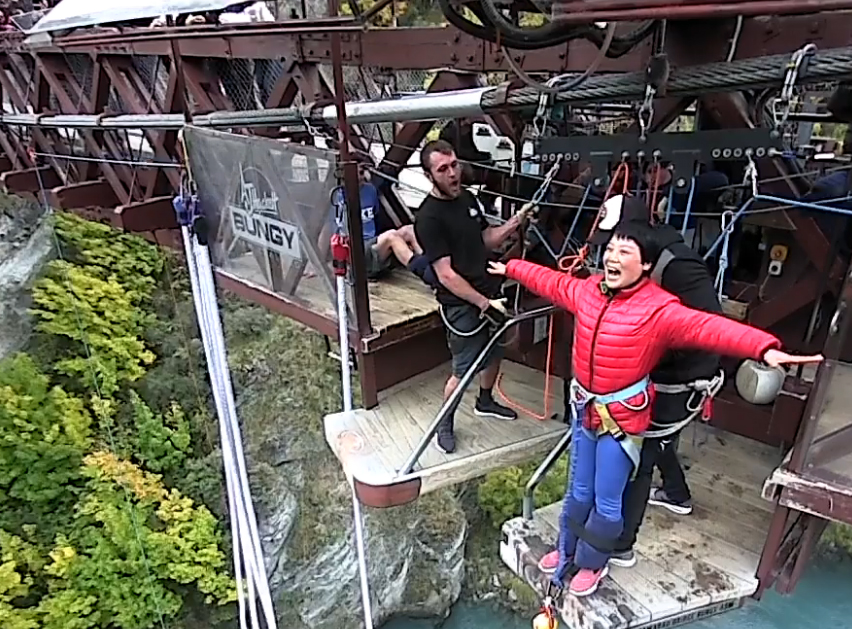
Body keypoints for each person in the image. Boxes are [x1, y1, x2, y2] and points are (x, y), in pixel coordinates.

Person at [488, 220, 822, 597]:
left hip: (620, 420)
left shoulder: (660, 310)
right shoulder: (588, 291)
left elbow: (710, 328)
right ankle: (567, 550)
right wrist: (512, 268)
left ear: (646, 264)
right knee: (579, 491)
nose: (612, 257)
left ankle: (593, 562)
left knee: (607, 500)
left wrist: (763, 348)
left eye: (624, 251)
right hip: (585, 411)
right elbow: (552, 282)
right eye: (610, 249)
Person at [595, 195, 724, 569]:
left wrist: (649, 347)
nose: (611, 254)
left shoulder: (678, 267)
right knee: (653, 442)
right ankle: (677, 494)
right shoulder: (647, 261)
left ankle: (622, 545)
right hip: (660, 369)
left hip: (680, 377)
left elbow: (708, 327)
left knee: (641, 455)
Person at [414, 139, 528, 454]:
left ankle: (485, 400)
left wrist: (514, 223)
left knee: (495, 350)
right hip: (463, 305)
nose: (453, 173)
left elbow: (484, 239)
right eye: (443, 169)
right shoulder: (428, 218)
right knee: (464, 367)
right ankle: (444, 423)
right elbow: (446, 274)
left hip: (488, 291)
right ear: (429, 176)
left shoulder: (466, 198)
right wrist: (482, 303)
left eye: (454, 165)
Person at [330, 154, 423, 280]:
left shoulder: (370, 190)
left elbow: (376, 214)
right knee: (391, 237)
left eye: (362, 172)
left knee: (409, 230)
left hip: (372, 243)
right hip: (355, 251)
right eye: (358, 172)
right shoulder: (337, 195)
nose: (361, 176)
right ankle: (421, 270)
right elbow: (329, 228)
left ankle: (429, 266)